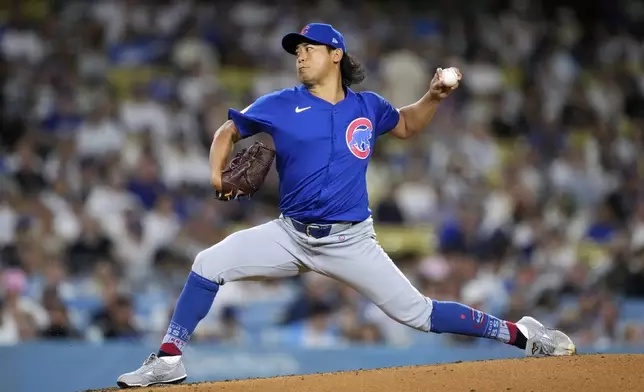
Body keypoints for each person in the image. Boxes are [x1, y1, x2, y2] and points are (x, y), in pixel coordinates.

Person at [117, 23, 575, 388]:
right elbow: (226, 132)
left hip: (350, 240)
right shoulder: (279, 104)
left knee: (420, 314)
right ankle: (169, 359)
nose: (299, 54)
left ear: (335, 54)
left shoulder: (367, 106)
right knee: (207, 262)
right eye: (296, 50)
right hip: (291, 234)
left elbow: (408, 125)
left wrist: (432, 97)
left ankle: (523, 334)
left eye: (308, 48)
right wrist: (217, 175)